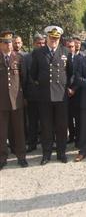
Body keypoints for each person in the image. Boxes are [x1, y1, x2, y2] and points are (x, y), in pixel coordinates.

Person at [30, 25, 72, 165]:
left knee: (61, 126)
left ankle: (61, 153)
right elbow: (33, 74)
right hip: (45, 95)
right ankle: (46, 154)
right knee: (46, 126)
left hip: (61, 95)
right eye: (51, 38)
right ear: (46, 37)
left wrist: (68, 87)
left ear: (59, 38)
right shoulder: (38, 53)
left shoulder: (65, 51)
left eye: (56, 38)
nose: (54, 40)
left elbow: (70, 72)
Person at [0, 31, 28, 170]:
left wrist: (25, 97)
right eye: (5, 42)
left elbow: (24, 79)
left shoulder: (18, 58)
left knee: (19, 130)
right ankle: (2, 158)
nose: (9, 45)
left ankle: (21, 156)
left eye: (10, 42)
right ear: (0, 44)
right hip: (1, 101)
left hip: (16, 100)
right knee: (2, 132)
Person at [24, 33, 45, 152]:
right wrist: (25, 96)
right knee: (32, 122)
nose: (41, 45)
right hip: (32, 96)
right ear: (33, 44)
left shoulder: (47, 55)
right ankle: (32, 144)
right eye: (39, 43)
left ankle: (46, 143)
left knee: (46, 122)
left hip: (45, 96)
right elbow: (25, 78)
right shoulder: (27, 58)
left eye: (43, 43)